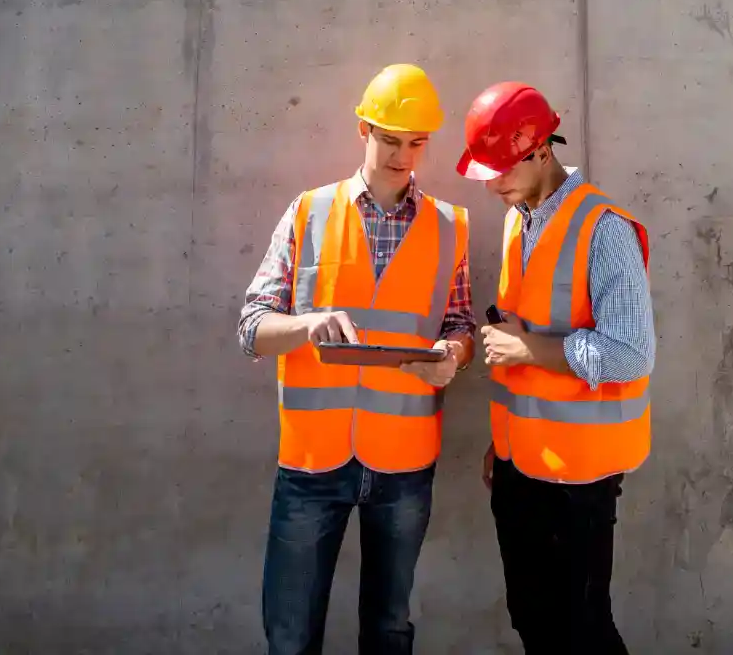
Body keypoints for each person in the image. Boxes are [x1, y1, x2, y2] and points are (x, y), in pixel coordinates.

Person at [238, 64, 475, 655]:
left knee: (389, 633)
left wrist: (455, 354)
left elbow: (460, 323)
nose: (403, 156)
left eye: (416, 143)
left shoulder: (451, 227)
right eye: (391, 140)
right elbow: (252, 327)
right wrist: (307, 323)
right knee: (290, 637)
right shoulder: (308, 212)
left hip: (404, 464)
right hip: (312, 465)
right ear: (363, 129)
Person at [460, 82, 655, 655]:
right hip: (522, 466)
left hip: (579, 479)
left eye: (501, 168)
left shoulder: (605, 229)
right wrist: (505, 443)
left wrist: (528, 349)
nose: (493, 183)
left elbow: (629, 354)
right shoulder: (520, 219)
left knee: (582, 633)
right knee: (534, 623)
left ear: (541, 149)